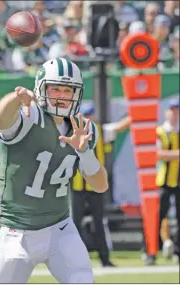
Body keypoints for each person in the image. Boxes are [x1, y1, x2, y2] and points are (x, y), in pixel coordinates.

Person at [0, 58, 109, 284]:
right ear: (41, 88)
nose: (62, 96)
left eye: (68, 90)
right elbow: (2, 119)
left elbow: (100, 185)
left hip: (60, 230)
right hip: (17, 233)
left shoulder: (84, 129)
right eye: (56, 89)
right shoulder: (29, 116)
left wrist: (85, 152)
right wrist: (15, 98)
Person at [71, 102, 131, 267]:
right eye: (85, 115)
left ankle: (104, 258)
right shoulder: (72, 132)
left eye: (90, 115)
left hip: (95, 185)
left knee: (99, 222)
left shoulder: (101, 131)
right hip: (77, 186)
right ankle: (75, 259)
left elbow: (120, 126)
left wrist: (136, 111)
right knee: (74, 224)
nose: (88, 118)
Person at [144, 98, 180, 265]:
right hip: (163, 181)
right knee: (157, 217)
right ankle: (150, 251)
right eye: (171, 110)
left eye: (176, 110)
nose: (174, 113)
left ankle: (177, 252)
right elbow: (158, 154)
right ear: (166, 112)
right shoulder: (160, 131)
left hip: (178, 182)